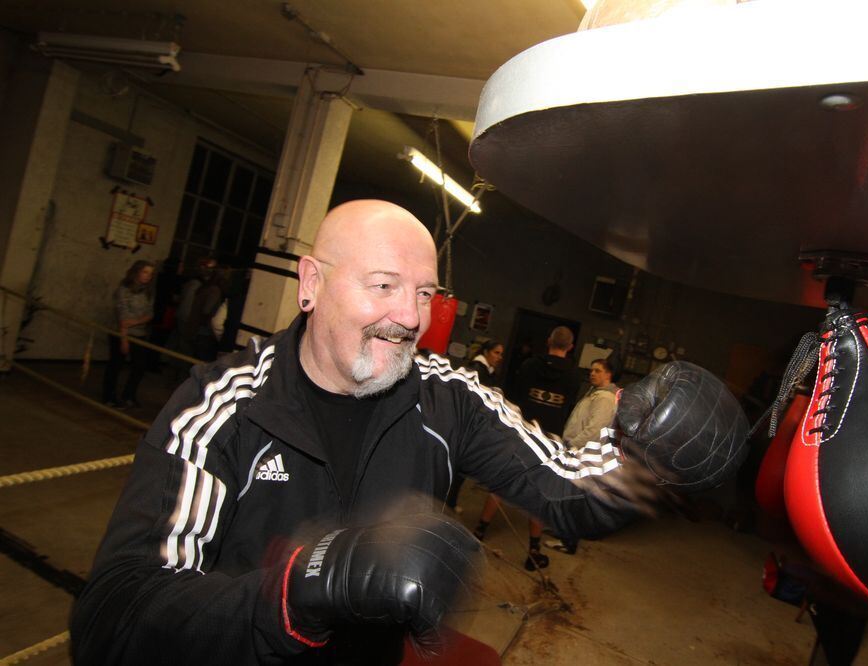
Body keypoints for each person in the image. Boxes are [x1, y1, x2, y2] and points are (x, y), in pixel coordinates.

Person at [71, 200, 716, 666]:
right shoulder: (223, 407)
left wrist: (650, 455)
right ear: (312, 284)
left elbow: (566, 486)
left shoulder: (449, 397)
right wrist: (299, 591)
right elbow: (117, 618)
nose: (409, 317)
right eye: (383, 286)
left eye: (426, 293)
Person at [473, 326, 579, 570]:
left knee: (502, 481)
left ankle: (479, 532)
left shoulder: (530, 365)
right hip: (549, 438)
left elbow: (516, 398)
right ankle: (533, 550)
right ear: (571, 347)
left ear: (548, 340)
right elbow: (568, 407)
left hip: (522, 432)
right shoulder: (573, 376)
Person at [549, 357, 619, 555]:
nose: (592, 373)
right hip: (577, 450)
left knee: (573, 498)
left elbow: (594, 430)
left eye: (598, 370)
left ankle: (569, 541)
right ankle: (562, 532)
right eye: (592, 370)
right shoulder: (596, 393)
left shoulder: (605, 399)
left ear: (608, 374)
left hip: (583, 452)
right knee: (566, 495)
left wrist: (571, 444)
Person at [444, 340, 505, 513]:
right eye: (496, 353)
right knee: (458, 468)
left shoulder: (487, 370)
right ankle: (446, 502)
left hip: (471, 425)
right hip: (467, 425)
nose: (499, 357)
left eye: (501, 354)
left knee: (460, 468)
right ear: (486, 352)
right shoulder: (478, 368)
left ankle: (449, 501)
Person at [101, 260, 155, 408]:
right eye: (145, 272)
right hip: (120, 333)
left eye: (150, 274)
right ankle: (109, 396)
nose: (148, 276)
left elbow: (150, 314)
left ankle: (129, 395)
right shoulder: (124, 290)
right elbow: (122, 317)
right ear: (137, 272)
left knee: (139, 366)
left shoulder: (148, 292)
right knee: (116, 365)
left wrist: (134, 322)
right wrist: (124, 338)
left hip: (139, 333)